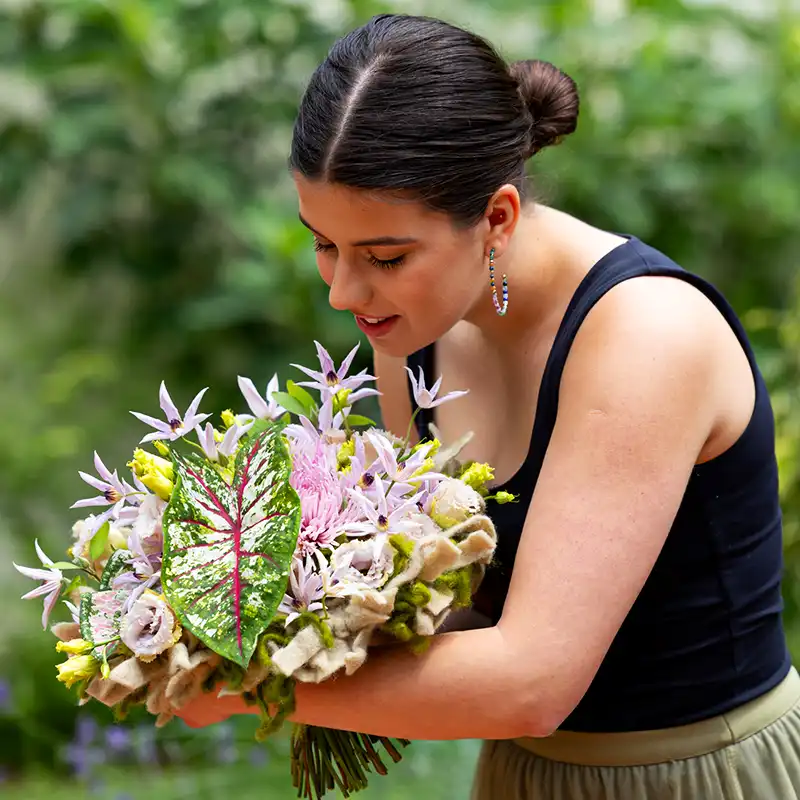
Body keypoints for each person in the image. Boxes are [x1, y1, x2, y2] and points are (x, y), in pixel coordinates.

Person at [178, 13, 800, 799]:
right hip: (520, 777)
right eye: (324, 243)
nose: (343, 291)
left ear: (497, 218)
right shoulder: (411, 333)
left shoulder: (647, 334)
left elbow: (534, 682)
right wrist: (214, 620)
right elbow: (443, 607)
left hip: (699, 774)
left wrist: (248, 685)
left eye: (386, 256)